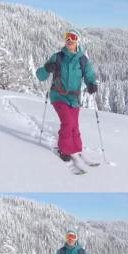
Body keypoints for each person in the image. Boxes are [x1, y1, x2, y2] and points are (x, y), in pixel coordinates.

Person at [36, 28, 98, 162]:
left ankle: (75, 148)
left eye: (73, 37)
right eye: (67, 37)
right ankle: (64, 149)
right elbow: (40, 76)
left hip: (74, 99)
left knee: (74, 124)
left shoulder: (82, 60)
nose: (69, 40)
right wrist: (47, 69)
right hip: (58, 96)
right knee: (68, 122)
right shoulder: (58, 57)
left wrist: (91, 83)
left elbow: (89, 75)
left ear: (77, 41)